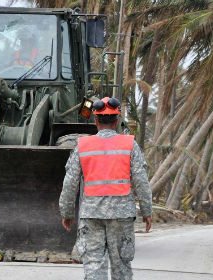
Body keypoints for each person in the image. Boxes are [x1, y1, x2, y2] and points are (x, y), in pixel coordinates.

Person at [59, 97, 153, 280]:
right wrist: (147, 211)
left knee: (94, 267)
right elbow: (141, 180)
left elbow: (70, 183)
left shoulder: (82, 146)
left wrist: (67, 212)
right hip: (121, 215)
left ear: (95, 120)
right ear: (117, 121)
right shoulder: (130, 145)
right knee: (122, 268)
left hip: (92, 215)